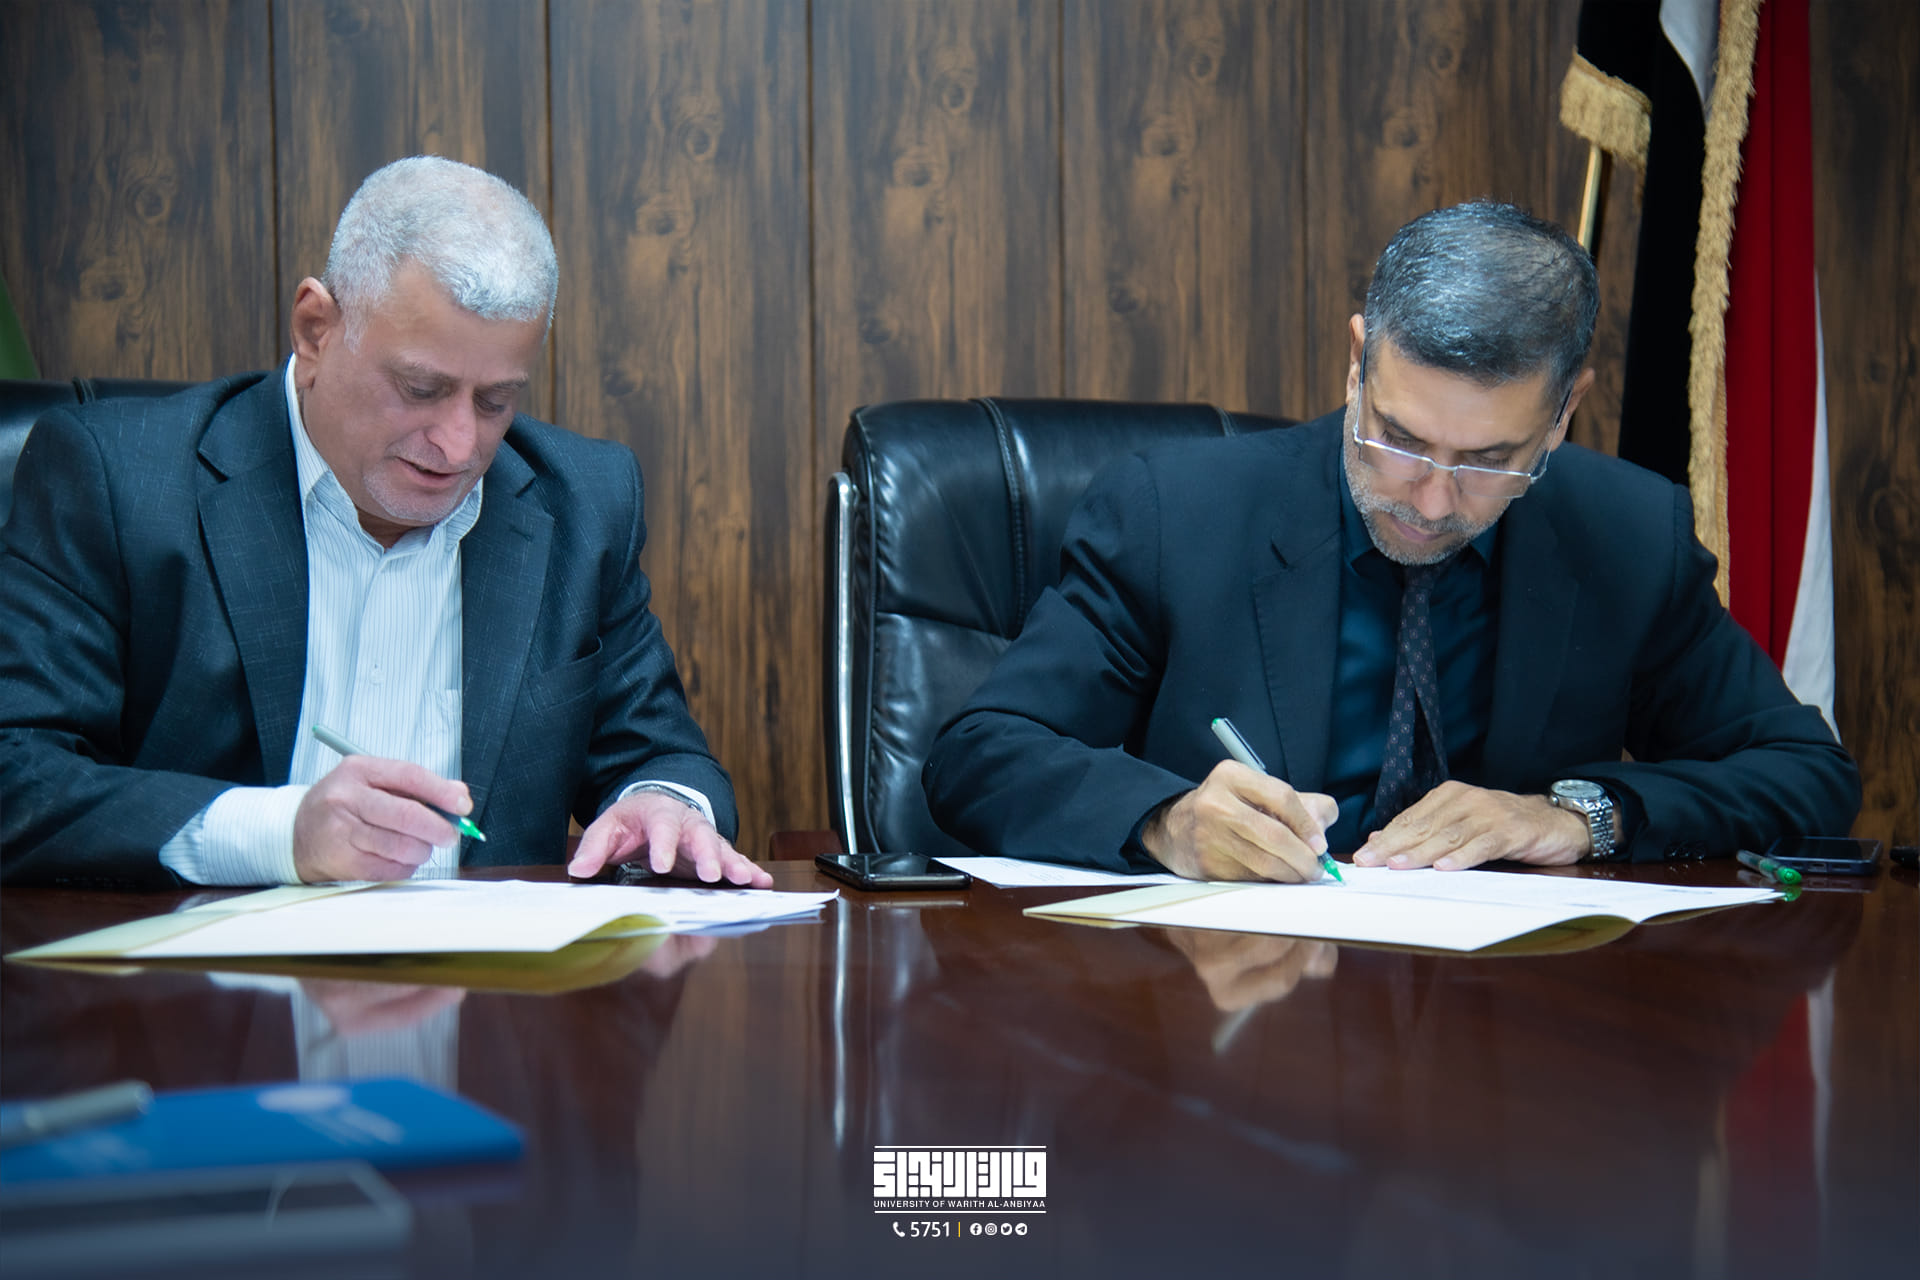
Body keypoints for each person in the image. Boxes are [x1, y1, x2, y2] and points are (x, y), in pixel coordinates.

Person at [923, 201, 1859, 882]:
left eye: (1489, 460)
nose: (1433, 499)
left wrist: (1579, 817)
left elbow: (1806, 773)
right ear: (1358, 360)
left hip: (1516, 1031)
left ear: (1563, 413)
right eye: (1400, 439)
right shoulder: (1176, 512)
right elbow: (980, 754)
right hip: (1230, 1014)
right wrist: (1165, 821)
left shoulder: (1626, 535)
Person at [0, 156, 770, 889]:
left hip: (489, 977)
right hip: (210, 974)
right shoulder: (118, 480)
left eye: (495, 400)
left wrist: (666, 806)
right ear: (315, 329)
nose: (459, 445)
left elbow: (662, 756)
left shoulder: (582, 503)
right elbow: (18, 773)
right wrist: (283, 833)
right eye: (421, 388)